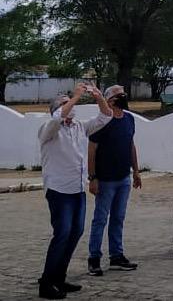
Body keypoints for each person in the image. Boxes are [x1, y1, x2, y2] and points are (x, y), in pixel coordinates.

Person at [37, 83, 112, 300]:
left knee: (75, 232)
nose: (70, 106)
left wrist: (98, 96)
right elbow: (58, 116)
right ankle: (46, 282)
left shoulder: (79, 126)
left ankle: (59, 277)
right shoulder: (48, 129)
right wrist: (76, 96)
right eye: (63, 104)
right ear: (56, 110)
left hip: (77, 188)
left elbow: (105, 116)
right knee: (62, 233)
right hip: (59, 189)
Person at [86, 84, 141, 277]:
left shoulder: (129, 119)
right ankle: (94, 258)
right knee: (100, 219)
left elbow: (130, 144)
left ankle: (116, 256)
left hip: (123, 177)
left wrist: (136, 170)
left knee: (118, 218)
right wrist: (92, 177)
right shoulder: (102, 122)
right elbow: (91, 149)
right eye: (119, 94)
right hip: (106, 179)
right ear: (109, 100)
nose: (123, 96)